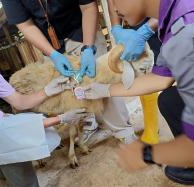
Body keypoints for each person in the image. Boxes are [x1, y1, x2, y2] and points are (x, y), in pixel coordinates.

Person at [0, 16, 89, 187]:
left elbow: (19, 102)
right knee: (13, 149)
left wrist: (48, 90)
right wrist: (61, 119)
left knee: (12, 145)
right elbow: (7, 128)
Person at [81, 0, 194, 185]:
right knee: (169, 100)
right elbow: (162, 78)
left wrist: (147, 154)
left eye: (114, 0)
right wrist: (105, 90)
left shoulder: (184, 33)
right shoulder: (174, 14)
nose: (114, 9)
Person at [1, 0, 138, 144]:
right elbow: (26, 25)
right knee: (70, 90)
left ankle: (123, 131)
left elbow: (88, 7)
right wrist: (52, 54)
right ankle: (90, 125)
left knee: (101, 79)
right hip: (50, 44)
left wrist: (88, 49)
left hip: (83, 31)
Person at [107, 0, 161, 145]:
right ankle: (151, 127)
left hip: (158, 17)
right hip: (134, 20)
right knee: (143, 75)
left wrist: (147, 29)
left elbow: (172, 4)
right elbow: (112, 3)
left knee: (168, 71)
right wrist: (116, 27)